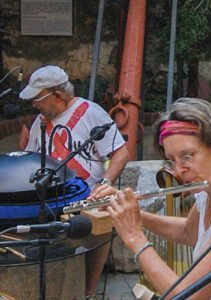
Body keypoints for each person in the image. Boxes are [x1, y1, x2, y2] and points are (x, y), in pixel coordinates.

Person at [92, 98, 211, 299]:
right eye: (172, 160)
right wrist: (135, 214)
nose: (179, 170)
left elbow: (189, 296)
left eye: (188, 156)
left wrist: (134, 236)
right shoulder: (208, 191)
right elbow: (187, 232)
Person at [19, 65, 130, 299]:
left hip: (87, 192)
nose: (34, 104)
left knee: (98, 223)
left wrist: (106, 182)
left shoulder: (90, 112)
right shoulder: (40, 120)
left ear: (57, 95)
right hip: (49, 198)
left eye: (37, 98)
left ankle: (89, 292)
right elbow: (31, 158)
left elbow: (121, 152)